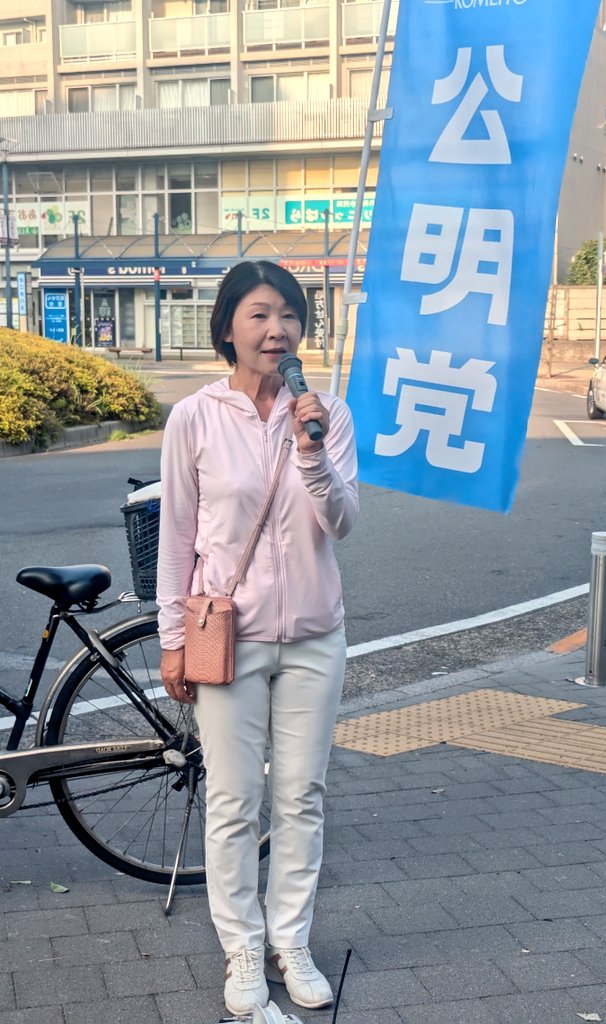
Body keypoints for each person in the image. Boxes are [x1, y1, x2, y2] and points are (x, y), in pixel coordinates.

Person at [157, 260, 359, 1018]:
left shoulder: (326, 413)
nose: (277, 330)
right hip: (227, 635)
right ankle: (242, 949)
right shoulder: (195, 418)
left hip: (313, 634)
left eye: (290, 316)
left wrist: (310, 450)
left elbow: (340, 522)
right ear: (228, 328)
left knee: (301, 797)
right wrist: (174, 640)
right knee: (236, 801)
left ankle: (290, 940)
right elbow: (178, 539)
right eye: (259, 315)